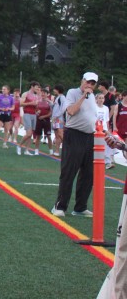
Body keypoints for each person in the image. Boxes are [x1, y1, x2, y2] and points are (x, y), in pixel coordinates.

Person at [52, 72, 100, 217]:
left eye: (92, 83)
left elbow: (92, 118)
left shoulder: (92, 97)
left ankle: (80, 207)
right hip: (74, 135)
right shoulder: (73, 93)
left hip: (89, 137)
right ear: (82, 81)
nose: (89, 85)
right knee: (69, 171)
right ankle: (60, 206)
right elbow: (71, 111)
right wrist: (83, 96)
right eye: (88, 82)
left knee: (88, 174)